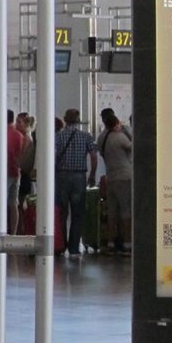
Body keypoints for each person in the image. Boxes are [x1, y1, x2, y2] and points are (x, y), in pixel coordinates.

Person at [55, 108, 99, 257]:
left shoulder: (58, 136)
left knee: (61, 212)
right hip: (79, 177)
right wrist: (92, 174)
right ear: (78, 120)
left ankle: (60, 246)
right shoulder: (86, 136)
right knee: (78, 213)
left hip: (61, 176)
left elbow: (53, 157)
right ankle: (74, 248)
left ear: (65, 120)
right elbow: (93, 157)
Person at [98, 108, 133, 256]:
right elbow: (133, 148)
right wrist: (126, 131)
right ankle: (127, 244)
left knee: (112, 212)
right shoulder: (120, 137)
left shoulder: (102, 138)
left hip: (110, 177)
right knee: (126, 211)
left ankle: (111, 243)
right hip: (124, 177)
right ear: (117, 123)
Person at [6, 109, 25, 234]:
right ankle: (13, 232)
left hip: (4, 172)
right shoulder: (20, 135)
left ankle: (0, 228)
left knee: (0, 202)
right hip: (16, 172)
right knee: (14, 203)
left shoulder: (1, 133)